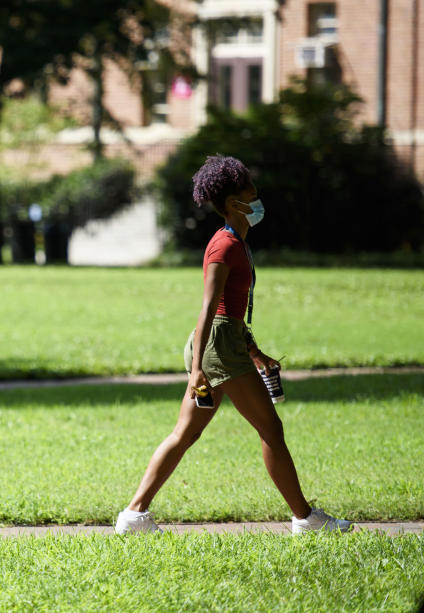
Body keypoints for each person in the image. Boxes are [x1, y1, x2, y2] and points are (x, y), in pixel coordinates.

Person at [114, 155, 352, 535]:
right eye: (250, 193)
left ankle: (134, 516)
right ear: (232, 203)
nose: (257, 199)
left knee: (185, 433)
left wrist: (255, 353)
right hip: (217, 347)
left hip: (224, 343)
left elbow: (231, 312)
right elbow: (210, 308)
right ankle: (306, 519)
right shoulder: (223, 246)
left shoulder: (236, 242)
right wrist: (197, 373)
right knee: (270, 428)